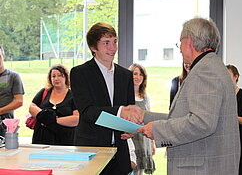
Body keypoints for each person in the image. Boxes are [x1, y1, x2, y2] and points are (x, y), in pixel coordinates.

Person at [128, 17, 240, 174]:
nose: (179, 49)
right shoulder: (210, 67)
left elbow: (202, 123)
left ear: (190, 42)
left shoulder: (206, 71)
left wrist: (158, 130)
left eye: (180, 42)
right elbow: (184, 117)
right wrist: (144, 116)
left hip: (201, 169)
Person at [70, 22, 140, 175]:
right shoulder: (79, 73)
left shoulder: (126, 75)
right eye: (106, 43)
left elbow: (129, 111)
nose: (112, 48)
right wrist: (121, 111)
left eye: (114, 42)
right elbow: (87, 112)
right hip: (91, 150)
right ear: (93, 48)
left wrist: (130, 128)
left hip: (120, 152)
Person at [29, 64, 79, 145]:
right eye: (53, 76)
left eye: (60, 75)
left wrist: (54, 120)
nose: (56, 79)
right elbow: (32, 107)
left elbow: (76, 118)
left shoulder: (73, 95)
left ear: (66, 77)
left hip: (65, 138)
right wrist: (43, 115)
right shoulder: (44, 92)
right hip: (42, 137)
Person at [128, 63, 155, 175]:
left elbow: (150, 119)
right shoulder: (125, 95)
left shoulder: (145, 97)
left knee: (141, 171)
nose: (137, 77)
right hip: (131, 138)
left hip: (144, 139)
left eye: (140, 74)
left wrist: (153, 143)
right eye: (135, 73)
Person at [0, 45, 24, 137]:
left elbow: (19, 101)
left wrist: (1, 110)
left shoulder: (13, 76)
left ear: (3, 56)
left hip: (5, 124)